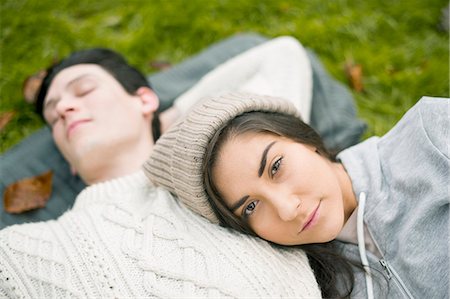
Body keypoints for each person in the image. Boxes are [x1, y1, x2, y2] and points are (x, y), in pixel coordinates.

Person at [0, 39, 323, 297]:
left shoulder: (219, 176)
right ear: (68, 162)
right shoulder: (27, 248)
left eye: (84, 91)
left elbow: (282, 54)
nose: (66, 107)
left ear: (145, 100)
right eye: (55, 116)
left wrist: (175, 127)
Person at [146, 92, 449, 298]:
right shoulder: (307, 284)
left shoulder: (430, 136)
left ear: (303, 138)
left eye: (276, 166)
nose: (288, 210)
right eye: (250, 206)